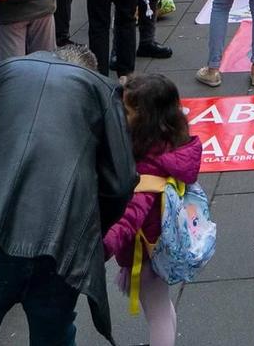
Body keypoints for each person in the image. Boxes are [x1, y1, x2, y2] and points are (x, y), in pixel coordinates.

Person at [0, 48, 136, 346]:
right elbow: (121, 184)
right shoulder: (102, 89)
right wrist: (89, 231)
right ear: (89, 70)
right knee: (54, 332)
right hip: (61, 242)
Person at [100, 73, 205, 343]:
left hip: (146, 253)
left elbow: (128, 218)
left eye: (127, 111)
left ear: (146, 119)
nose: (121, 116)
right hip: (161, 246)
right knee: (162, 307)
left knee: (156, 314)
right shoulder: (169, 146)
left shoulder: (146, 169)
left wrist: (102, 248)